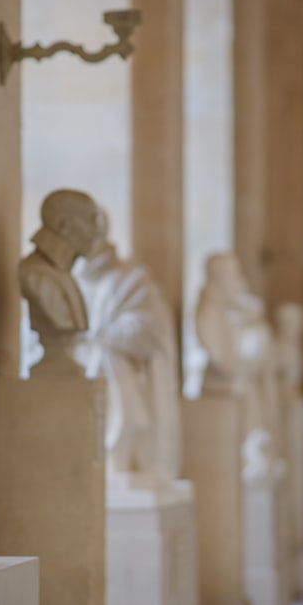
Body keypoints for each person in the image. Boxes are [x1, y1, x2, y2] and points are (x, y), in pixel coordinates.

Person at [74, 208, 181, 488]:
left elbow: (149, 332)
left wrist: (100, 335)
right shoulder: (65, 281)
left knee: (110, 362)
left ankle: (118, 458)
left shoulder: (131, 278)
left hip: (118, 380)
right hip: (70, 384)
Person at [19, 189, 101, 375]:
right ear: (63, 225)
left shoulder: (64, 276)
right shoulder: (36, 275)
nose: (97, 232)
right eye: (91, 220)